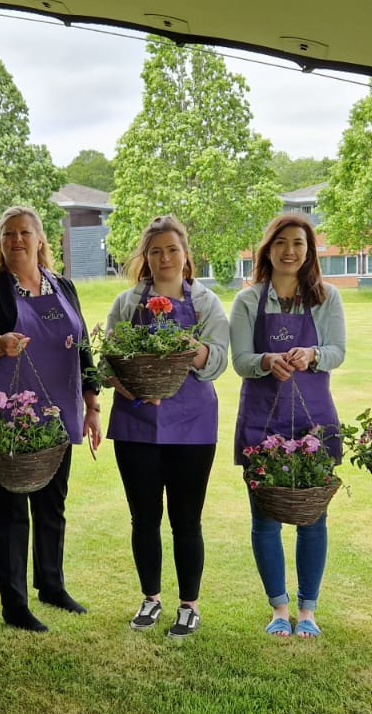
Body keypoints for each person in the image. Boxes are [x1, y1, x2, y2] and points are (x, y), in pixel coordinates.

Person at [0, 206, 103, 632]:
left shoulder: (64, 286)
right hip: (8, 419)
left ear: (41, 240)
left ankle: (51, 584)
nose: (17, 240)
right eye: (8, 233)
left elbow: (83, 351)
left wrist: (91, 406)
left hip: (59, 414)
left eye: (25, 232)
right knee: (10, 510)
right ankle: (14, 602)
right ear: (0, 243)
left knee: (53, 504)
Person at [104, 215, 228, 637]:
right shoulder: (126, 304)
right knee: (144, 518)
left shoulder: (206, 303)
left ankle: (188, 605)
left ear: (186, 255)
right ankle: (151, 598)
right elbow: (108, 361)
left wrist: (190, 349)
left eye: (172, 249)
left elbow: (217, 362)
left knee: (187, 519)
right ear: (146, 257)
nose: (164, 258)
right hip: (136, 421)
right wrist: (133, 389)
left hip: (193, 423)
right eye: (155, 250)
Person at [230, 213, 345, 639]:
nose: (290, 251)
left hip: (314, 421)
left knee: (313, 518)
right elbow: (240, 359)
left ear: (309, 251)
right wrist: (266, 361)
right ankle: (279, 608)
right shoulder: (247, 301)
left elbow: (338, 350)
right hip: (263, 421)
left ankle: (309, 611)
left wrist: (312, 355)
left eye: (298, 243)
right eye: (281, 242)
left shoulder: (326, 297)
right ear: (268, 249)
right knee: (265, 521)